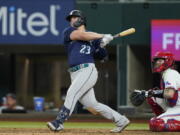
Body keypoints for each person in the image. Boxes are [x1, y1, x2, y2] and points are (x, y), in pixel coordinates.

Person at [47, 10, 130, 132]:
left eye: (74, 18)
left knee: (71, 93)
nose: (71, 20)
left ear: (81, 19)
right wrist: (102, 36)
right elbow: (82, 35)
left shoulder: (94, 37)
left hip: (87, 70)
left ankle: (59, 122)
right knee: (92, 104)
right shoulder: (69, 32)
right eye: (71, 19)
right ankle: (121, 120)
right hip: (74, 73)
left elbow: (103, 57)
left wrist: (102, 45)